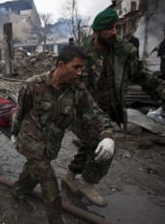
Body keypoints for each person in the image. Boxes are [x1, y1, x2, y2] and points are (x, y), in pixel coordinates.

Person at [62, 7, 165, 206]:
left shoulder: (124, 52)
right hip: (83, 111)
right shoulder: (83, 53)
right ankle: (87, 182)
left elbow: (143, 76)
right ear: (97, 31)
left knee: (92, 145)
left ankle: (71, 175)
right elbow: (64, 78)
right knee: (104, 145)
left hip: (110, 110)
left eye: (116, 27)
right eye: (109, 28)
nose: (115, 32)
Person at [11, 45, 114, 223]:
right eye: (76, 67)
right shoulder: (33, 85)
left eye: (82, 68)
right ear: (60, 64)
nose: (80, 72)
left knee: (32, 172)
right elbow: (20, 112)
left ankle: (18, 191)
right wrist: (14, 133)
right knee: (49, 184)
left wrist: (107, 136)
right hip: (31, 143)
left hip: (50, 147)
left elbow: (94, 113)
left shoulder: (77, 91)